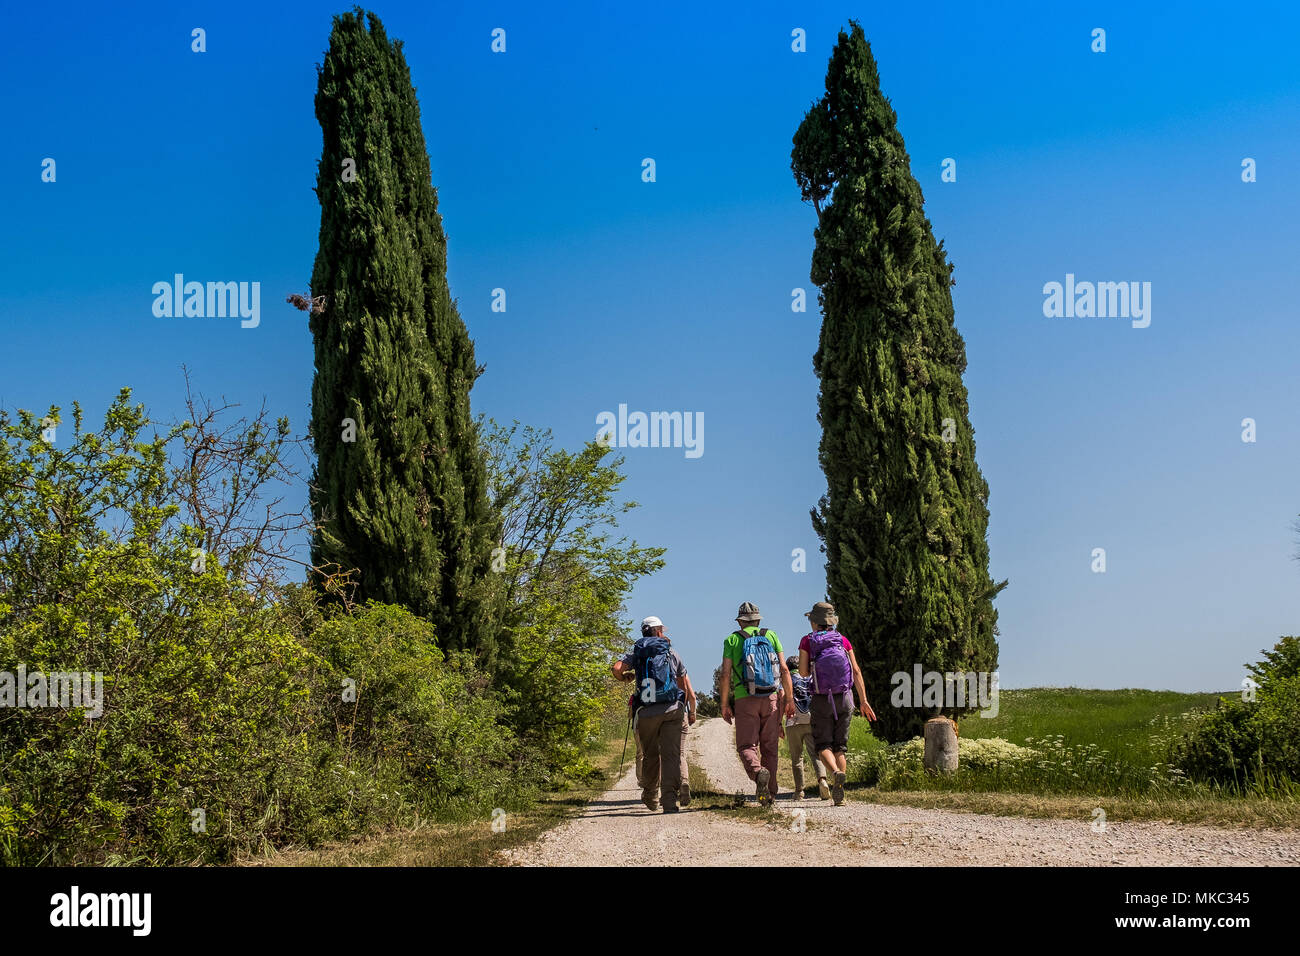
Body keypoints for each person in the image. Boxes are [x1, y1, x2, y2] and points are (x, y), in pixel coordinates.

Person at [798, 601, 876, 806]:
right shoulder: (843, 640)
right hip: (845, 697)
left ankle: (834, 773)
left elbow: (804, 672)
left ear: (814, 621)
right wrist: (864, 701)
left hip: (821, 698)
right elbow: (857, 671)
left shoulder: (807, 641)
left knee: (823, 745)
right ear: (831, 621)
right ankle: (840, 788)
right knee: (840, 746)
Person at [719, 602, 794, 806]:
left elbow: (725, 674)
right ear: (758, 619)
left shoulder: (732, 640)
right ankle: (769, 795)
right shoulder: (771, 636)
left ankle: (758, 772)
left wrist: (725, 703)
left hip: (745, 698)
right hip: (771, 697)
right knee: (770, 747)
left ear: (740, 621)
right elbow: (785, 669)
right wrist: (789, 698)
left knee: (746, 745)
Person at [612, 615, 689, 813]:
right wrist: (683, 705)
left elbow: (616, 668)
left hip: (646, 711)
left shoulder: (637, 654)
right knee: (671, 755)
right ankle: (670, 802)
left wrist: (626, 677)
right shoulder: (671, 652)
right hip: (672, 709)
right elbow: (682, 683)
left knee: (650, 755)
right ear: (659, 631)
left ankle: (650, 795)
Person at [633, 663, 697, 805]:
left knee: (655, 755)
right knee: (678, 753)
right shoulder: (678, 669)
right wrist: (691, 712)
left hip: (651, 712)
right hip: (677, 713)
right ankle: (683, 782)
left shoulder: (646, 668)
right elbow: (691, 695)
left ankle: (654, 790)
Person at [778, 655, 829, 801]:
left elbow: (782, 698)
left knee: (796, 757)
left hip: (793, 722)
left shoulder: (786, 680)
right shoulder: (809, 678)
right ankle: (822, 780)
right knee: (816, 754)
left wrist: (778, 723)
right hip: (811, 720)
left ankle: (799, 791)